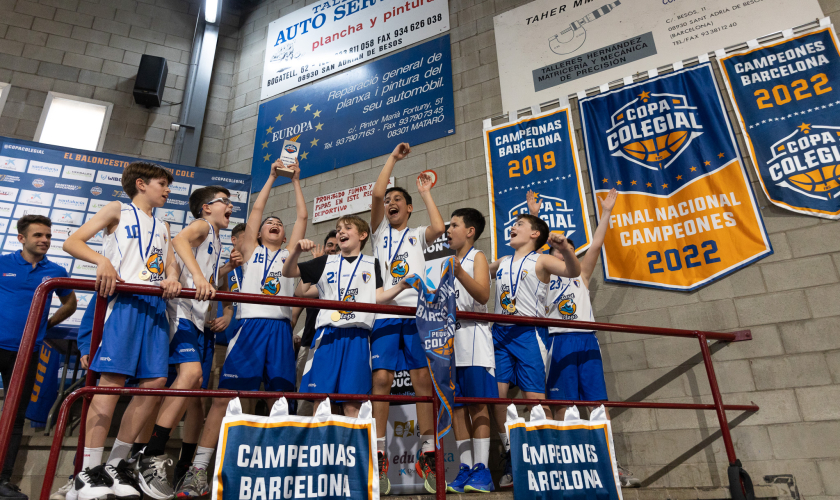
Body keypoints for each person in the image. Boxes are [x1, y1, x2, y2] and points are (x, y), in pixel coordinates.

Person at [175, 159, 306, 499]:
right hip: (248, 329)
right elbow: (257, 207)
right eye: (268, 224)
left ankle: (280, 471)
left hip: (278, 331)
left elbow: (303, 218)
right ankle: (199, 469)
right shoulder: (250, 250)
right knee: (225, 399)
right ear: (257, 233)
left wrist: (296, 183)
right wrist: (273, 176)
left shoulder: (290, 254)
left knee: (281, 400)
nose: (274, 224)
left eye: (280, 223)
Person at [63, 162, 182, 500]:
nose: (168, 189)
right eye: (163, 183)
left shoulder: (164, 224)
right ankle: (87, 471)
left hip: (154, 307)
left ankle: (113, 466)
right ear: (141, 184)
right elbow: (73, 242)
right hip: (124, 304)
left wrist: (172, 275)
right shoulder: (118, 209)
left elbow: (169, 261)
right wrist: (101, 261)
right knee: (111, 384)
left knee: (155, 383)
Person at [528, 189, 641, 488]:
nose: (562, 253)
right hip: (558, 341)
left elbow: (598, 243)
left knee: (597, 405)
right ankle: (569, 464)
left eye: (566, 250)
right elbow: (535, 245)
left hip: (587, 341)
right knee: (563, 404)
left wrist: (606, 212)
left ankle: (610, 463)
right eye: (556, 251)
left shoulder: (582, 275)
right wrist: (535, 214)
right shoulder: (544, 273)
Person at [136, 186, 239, 498]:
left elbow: (202, 266)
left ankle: (164, 459)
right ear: (206, 207)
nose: (231, 206)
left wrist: (223, 271)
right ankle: (149, 455)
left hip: (196, 318)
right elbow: (179, 241)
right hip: (179, 313)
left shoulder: (216, 236)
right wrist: (200, 278)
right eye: (225, 202)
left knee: (191, 387)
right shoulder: (202, 225)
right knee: (188, 376)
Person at [368, 143, 445, 494]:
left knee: (422, 383)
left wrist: (425, 192)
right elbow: (376, 192)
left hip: (417, 314)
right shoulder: (379, 233)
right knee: (381, 381)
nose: (391, 203)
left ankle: (428, 454)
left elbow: (440, 227)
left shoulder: (416, 235)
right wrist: (393, 159)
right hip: (385, 312)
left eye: (398, 201)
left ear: (408, 208)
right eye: (389, 202)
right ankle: (379, 455)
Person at [284, 215, 414, 418]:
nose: (341, 232)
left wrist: (400, 286)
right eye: (338, 229)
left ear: (363, 235)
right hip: (327, 336)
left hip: (358, 337)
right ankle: (322, 448)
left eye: (347, 228)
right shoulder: (326, 261)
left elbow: (378, 297)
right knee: (322, 402)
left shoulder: (372, 263)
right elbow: (288, 271)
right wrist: (297, 251)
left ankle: (352, 449)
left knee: (353, 405)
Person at [488, 214, 581, 489]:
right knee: (497, 396)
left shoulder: (542, 259)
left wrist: (564, 249)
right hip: (500, 332)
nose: (513, 227)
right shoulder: (503, 262)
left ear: (534, 234)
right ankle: (511, 454)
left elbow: (573, 272)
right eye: (513, 224)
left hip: (529, 332)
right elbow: (476, 271)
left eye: (520, 224)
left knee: (535, 398)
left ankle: (547, 458)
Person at [0, 216, 76, 500]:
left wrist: (46, 324)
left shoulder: (56, 270)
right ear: (22, 238)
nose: (44, 240)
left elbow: (70, 302)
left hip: (27, 353)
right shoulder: (2, 263)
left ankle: (2, 479)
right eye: (38, 235)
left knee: (16, 417)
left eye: (47, 235)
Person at [442, 209, 496, 494]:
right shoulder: (447, 262)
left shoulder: (477, 257)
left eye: (454, 225)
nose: (448, 230)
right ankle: (464, 468)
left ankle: (483, 469)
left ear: (470, 231)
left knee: (478, 403)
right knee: (458, 406)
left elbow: (483, 295)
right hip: (451, 339)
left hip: (474, 335)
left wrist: (459, 272)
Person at [291, 230, 339, 417]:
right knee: (306, 400)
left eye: (336, 247)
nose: (332, 250)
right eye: (329, 246)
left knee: (336, 398)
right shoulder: (314, 273)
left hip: (338, 342)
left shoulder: (348, 274)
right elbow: (297, 305)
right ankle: (304, 442)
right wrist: (315, 267)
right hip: (310, 343)